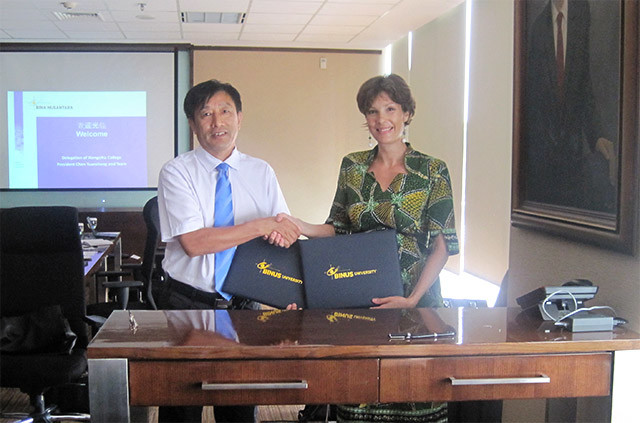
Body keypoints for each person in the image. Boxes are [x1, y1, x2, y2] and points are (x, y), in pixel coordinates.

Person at [279, 73, 458, 421]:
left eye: (390, 109)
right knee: (358, 398)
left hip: (416, 301)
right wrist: (298, 225)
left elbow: (442, 245)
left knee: (418, 396)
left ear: (406, 113)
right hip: (361, 298)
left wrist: (412, 299)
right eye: (373, 112)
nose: (381, 120)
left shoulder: (433, 170)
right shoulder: (353, 166)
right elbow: (337, 228)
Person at [157, 79, 300, 423]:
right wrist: (261, 225)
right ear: (193, 125)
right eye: (205, 114)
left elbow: (281, 236)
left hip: (244, 308)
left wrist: (288, 292)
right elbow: (195, 243)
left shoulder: (261, 172)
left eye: (225, 111)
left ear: (239, 117)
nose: (216, 122)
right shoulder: (177, 172)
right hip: (187, 307)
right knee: (181, 408)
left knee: (239, 408)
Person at [524, 0, 617, 212]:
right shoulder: (538, 28)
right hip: (544, 158)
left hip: (575, 153)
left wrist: (596, 136)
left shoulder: (581, 13)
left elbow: (583, 85)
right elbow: (533, 100)